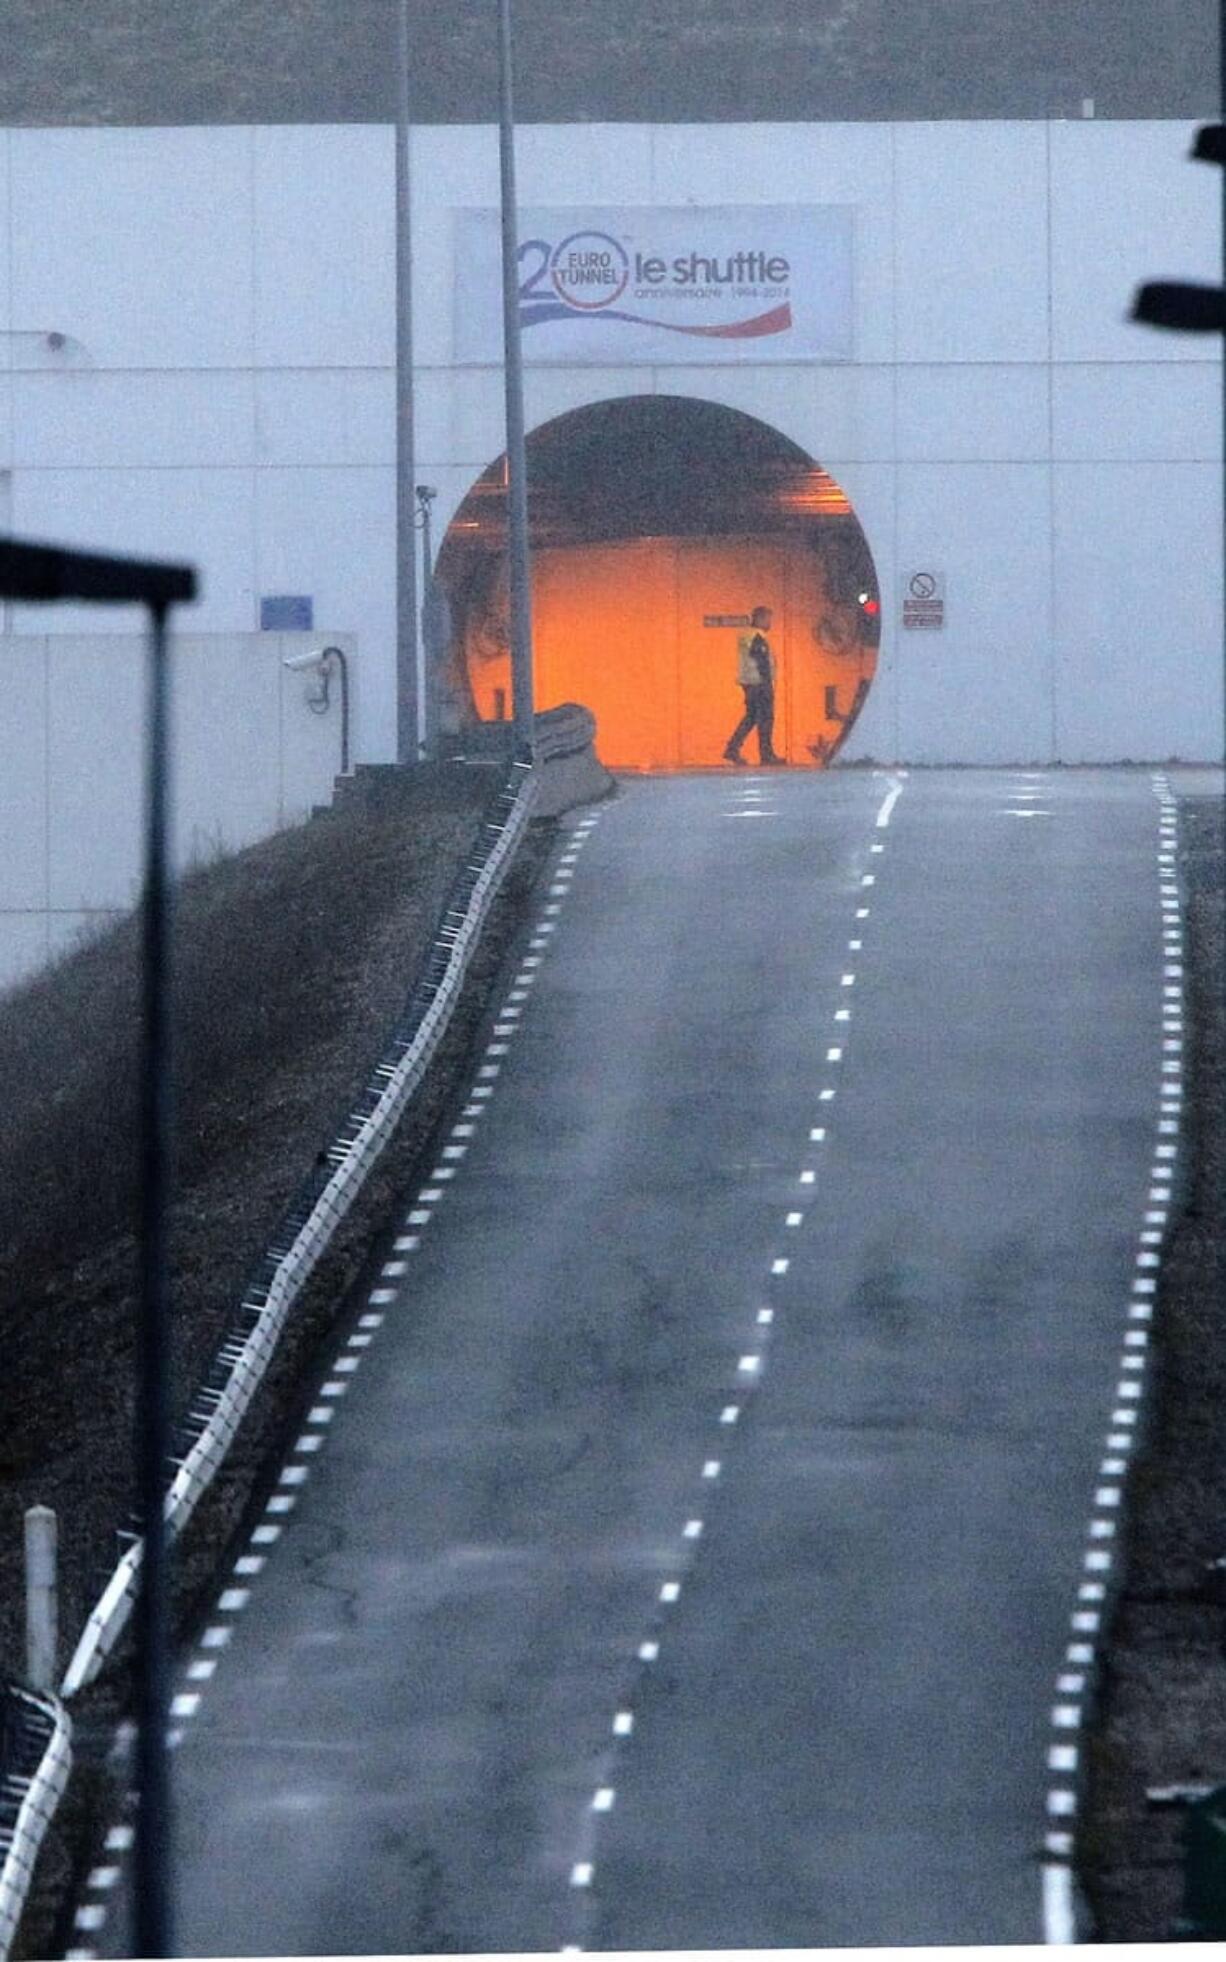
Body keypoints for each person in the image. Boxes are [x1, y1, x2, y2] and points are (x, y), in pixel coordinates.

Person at [723, 605, 785, 765]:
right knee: (766, 718)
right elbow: (761, 660)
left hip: (749, 683)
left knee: (751, 717)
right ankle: (767, 755)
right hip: (759, 683)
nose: (769, 623)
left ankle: (732, 748)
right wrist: (768, 684)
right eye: (767, 619)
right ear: (759, 619)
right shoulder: (757, 636)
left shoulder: (746, 635)